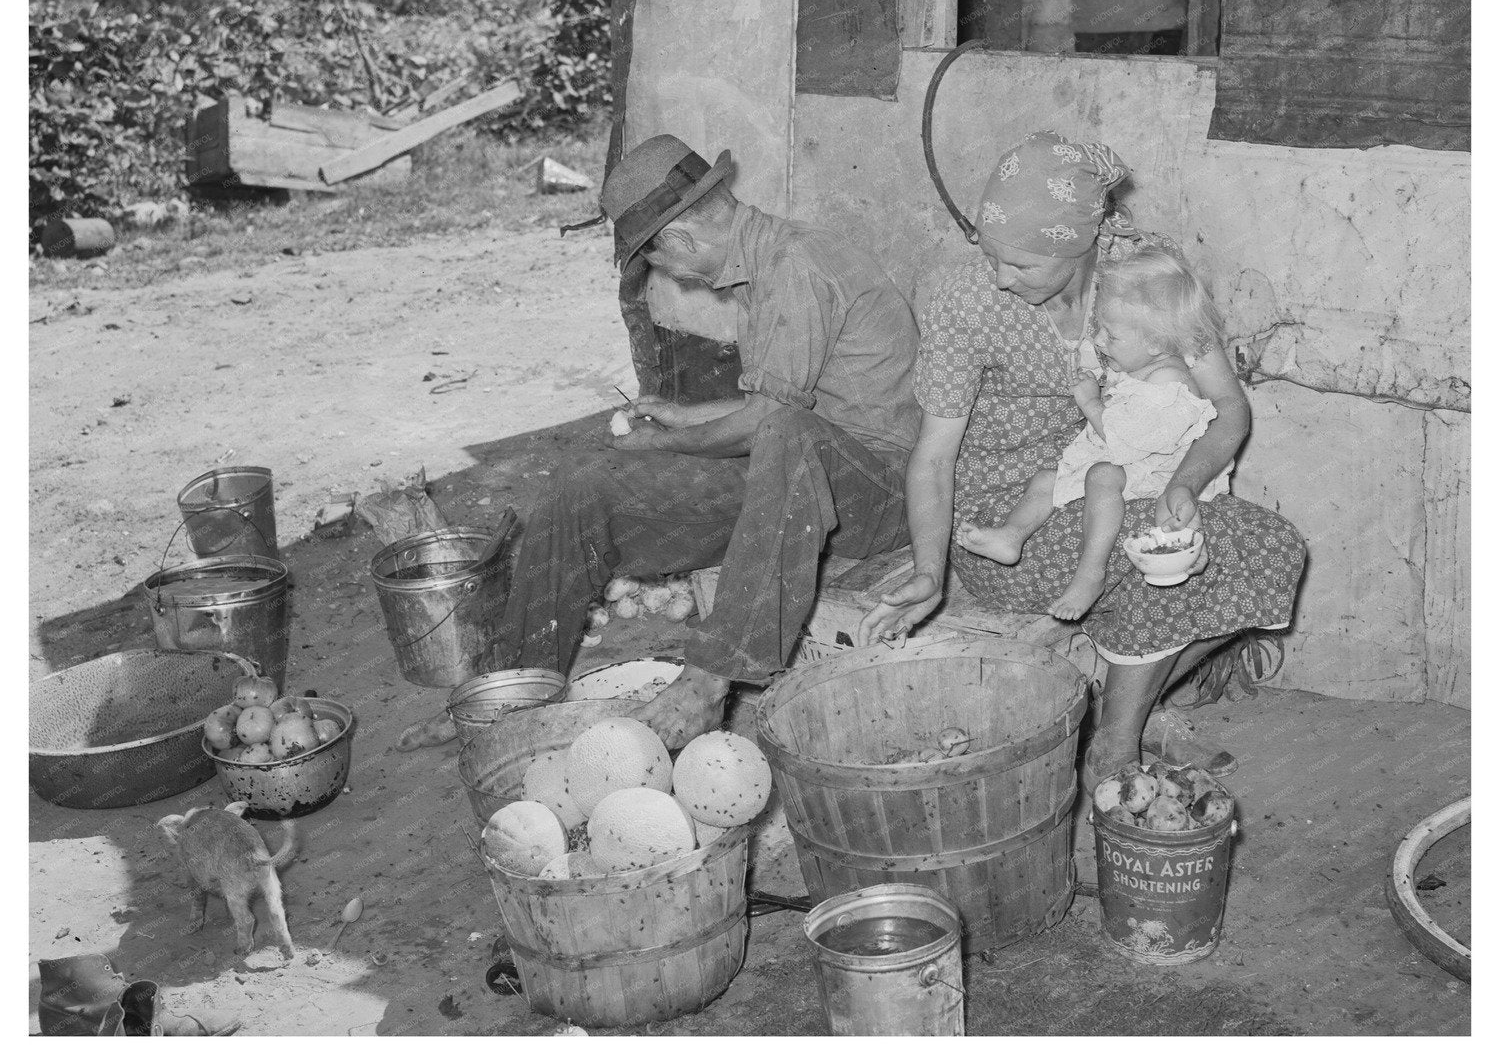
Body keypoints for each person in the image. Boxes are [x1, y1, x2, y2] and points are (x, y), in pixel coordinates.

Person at [858, 129, 1305, 796]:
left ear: (1079, 244)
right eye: (991, 256)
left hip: (1138, 477)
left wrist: (1185, 482)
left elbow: (1228, 408)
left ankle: (1125, 709)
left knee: (1271, 548)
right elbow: (932, 458)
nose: (1001, 278)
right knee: (1144, 543)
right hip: (1014, 518)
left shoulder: (1145, 278)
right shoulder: (967, 300)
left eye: (1024, 265)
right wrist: (928, 568)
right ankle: (1118, 743)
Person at [497, 134, 920, 747]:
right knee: (584, 485)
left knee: (781, 430)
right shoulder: (766, 266)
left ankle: (712, 677)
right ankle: (512, 696)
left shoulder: (797, 265)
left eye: (661, 265)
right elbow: (777, 408)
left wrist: (664, 445)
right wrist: (679, 417)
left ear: (682, 241)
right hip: (807, 467)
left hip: (883, 493)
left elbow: (774, 422)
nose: (675, 278)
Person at [956, 246, 1233, 621]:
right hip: (1130, 463)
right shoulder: (1147, 364)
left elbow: (1127, 441)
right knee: (1045, 480)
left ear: (1154, 343)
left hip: (1158, 473)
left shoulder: (1170, 384)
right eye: (1100, 328)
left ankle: (1091, 572)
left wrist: (1091, 404)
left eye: (1111, 335)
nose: (1101, 340)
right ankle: (1012, 535)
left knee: (1100, 477)